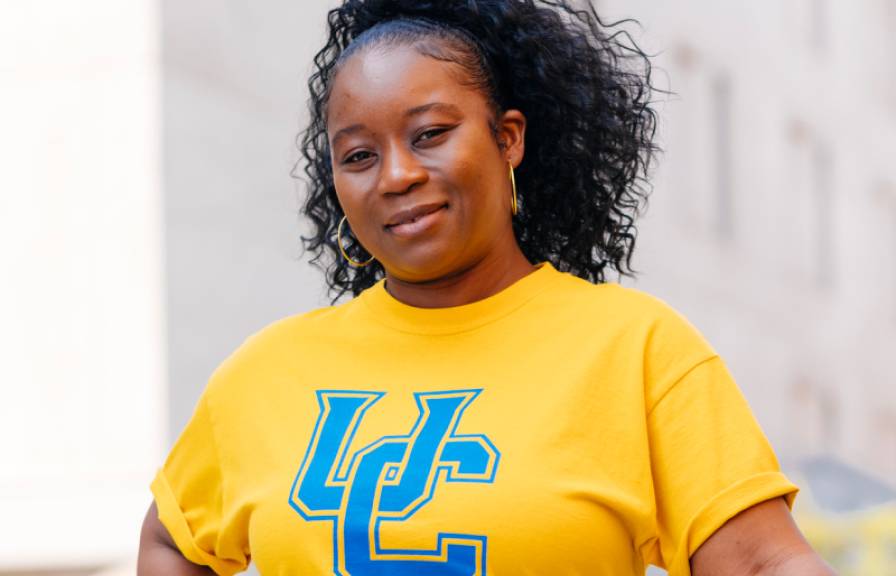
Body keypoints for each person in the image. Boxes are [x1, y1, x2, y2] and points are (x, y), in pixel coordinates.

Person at [138, 1, 836, 574]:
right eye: (359, 155)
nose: (396, 175)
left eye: (430, 134)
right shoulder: (265, 373)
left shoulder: (637, 351)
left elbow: (762, 563)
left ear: (508, 139)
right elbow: (171, 540)